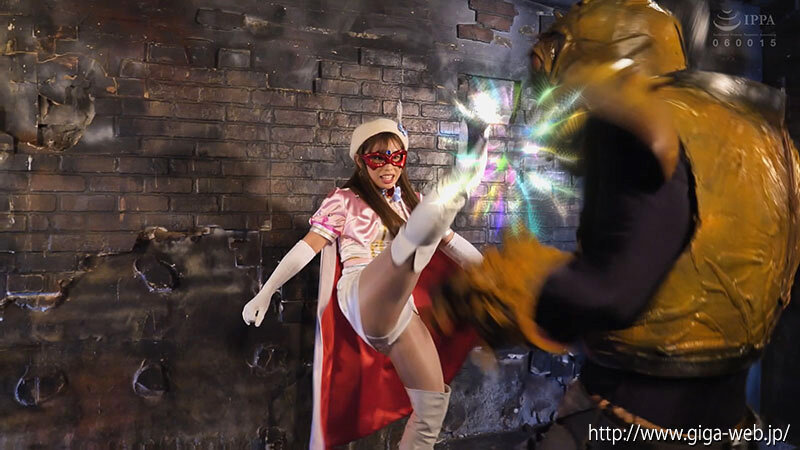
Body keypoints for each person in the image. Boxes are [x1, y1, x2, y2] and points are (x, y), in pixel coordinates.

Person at [432, 1, 800, 449]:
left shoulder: (635, 123)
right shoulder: (762, 131)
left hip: (632, 423)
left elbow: (612, 294)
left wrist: (505, 290)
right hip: (728, 421)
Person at [242, 118, 487, 449]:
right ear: (361, 161)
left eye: (397, 157)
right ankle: (456, 186)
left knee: (431, 412)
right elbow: (306, 248)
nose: (389, 166)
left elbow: (453, 244)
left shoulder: (411, 201)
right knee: (414, 241)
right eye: (378, 158)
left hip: (401, 309)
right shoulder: (344, 200)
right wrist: (266, 291)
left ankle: (457, 185)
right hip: (361, 294)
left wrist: (492, 278)